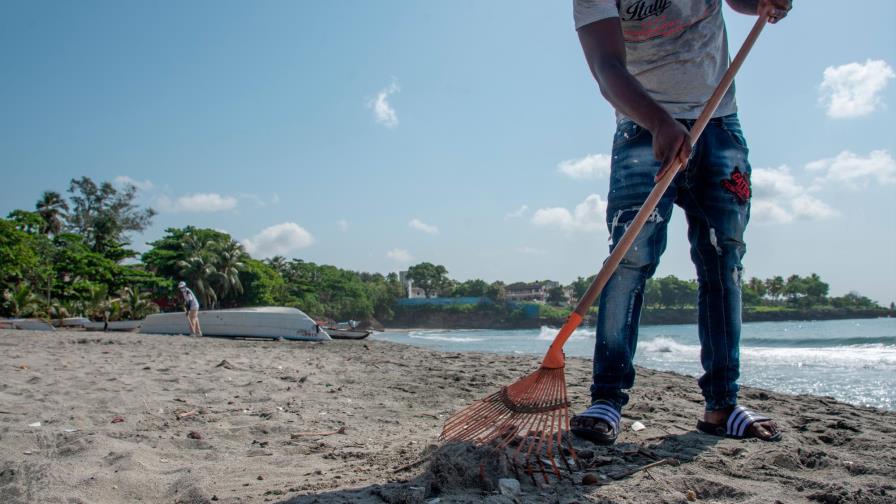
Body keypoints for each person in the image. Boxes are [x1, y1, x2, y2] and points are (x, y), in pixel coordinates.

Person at [570, 0, 791, 444]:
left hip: (719, 123)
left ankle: (722, 404)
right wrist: (658, 122)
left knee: (723, 261)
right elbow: (606, 66)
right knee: (628, 260)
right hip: (642, 128)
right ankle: (607, 400)